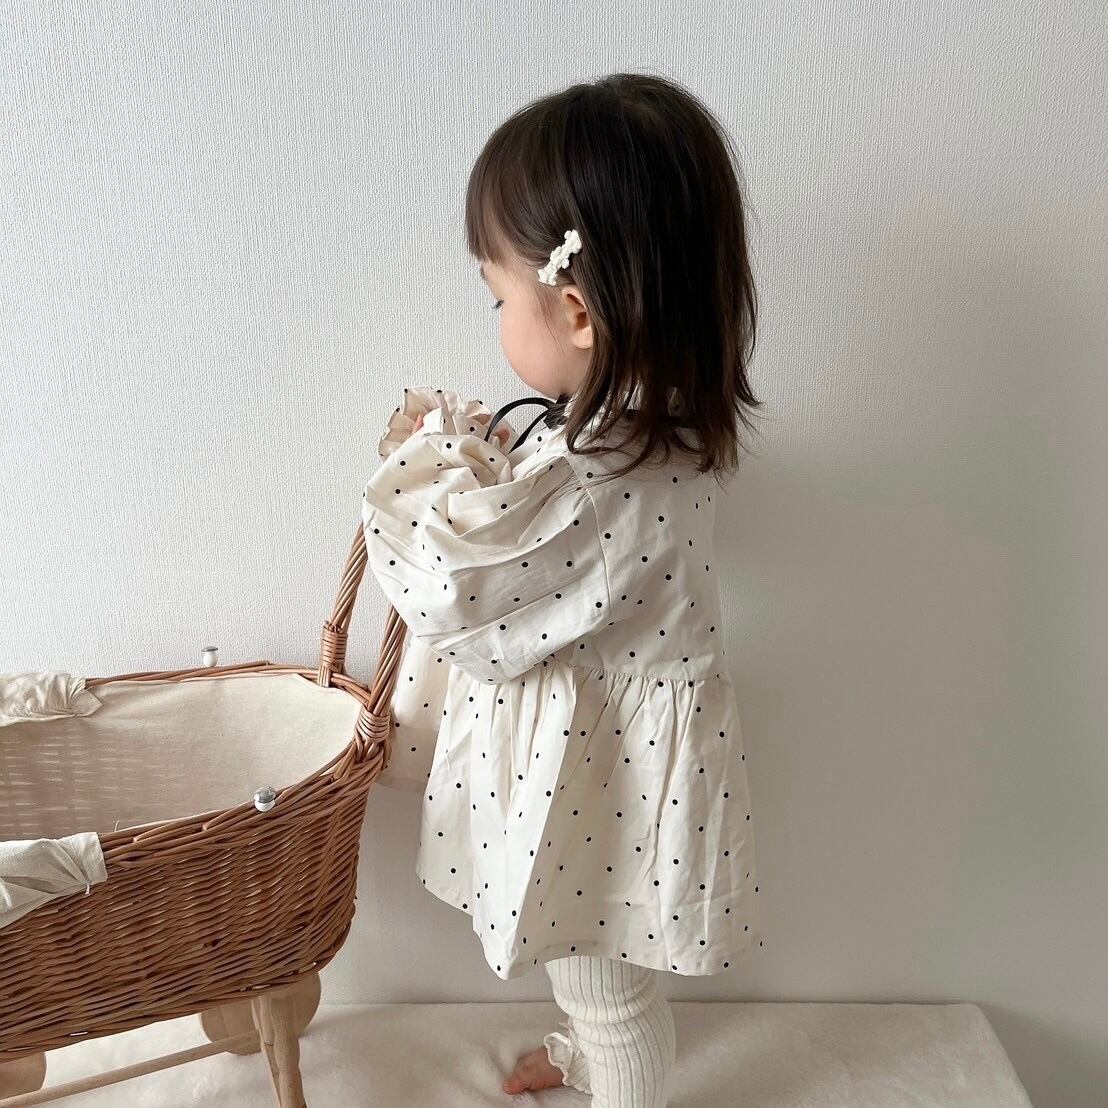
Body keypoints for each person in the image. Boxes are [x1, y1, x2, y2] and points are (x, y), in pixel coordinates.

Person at [361, 71, 765, 1108]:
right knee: (597, 969)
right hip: (608, 768)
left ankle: (615, 1069)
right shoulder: (648, 433)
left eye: (500, 297)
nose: (497, 316)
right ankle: (597, 1053)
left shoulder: (594, 480)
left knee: (605, 989)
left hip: (596, 780)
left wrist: (422, 474)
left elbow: (454, 594)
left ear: (576, 310)